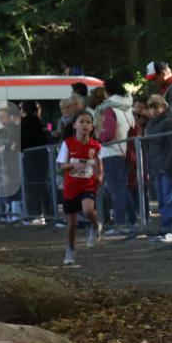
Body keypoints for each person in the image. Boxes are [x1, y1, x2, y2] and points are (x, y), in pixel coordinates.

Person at [57, 110, 103, 265]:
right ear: (75, 125)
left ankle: (96, 227)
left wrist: (99, 176)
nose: (85, 125)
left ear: (92, 127)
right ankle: (70, 249)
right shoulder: (68, 143)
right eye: (81, 122)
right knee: (72, 225)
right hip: (71, 188)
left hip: (88, 185)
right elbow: (61, 166)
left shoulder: (96, 146)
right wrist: (72, 164)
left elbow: (98, 165)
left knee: (88, 210)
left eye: (88, 122)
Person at [97, 78, 137, 234]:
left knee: (117, 189)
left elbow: (108, 134)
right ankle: (131, 219)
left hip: (111, 151)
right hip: (123, 149)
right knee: (121, 188)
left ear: (107, 91)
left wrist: (98, 135)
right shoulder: (126, 106)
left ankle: (120, 223)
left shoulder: (108, 108)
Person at [143, 94, 172, 241]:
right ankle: (165, 226)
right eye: (151, 108)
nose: (153, 111)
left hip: (168, 166)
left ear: (163, 107)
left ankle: (170, 227)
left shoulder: (170, 122)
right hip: (156, 166)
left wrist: (168, 164)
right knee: (160, 198)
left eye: (156, 107)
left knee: (169, 198)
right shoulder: (150, 124)